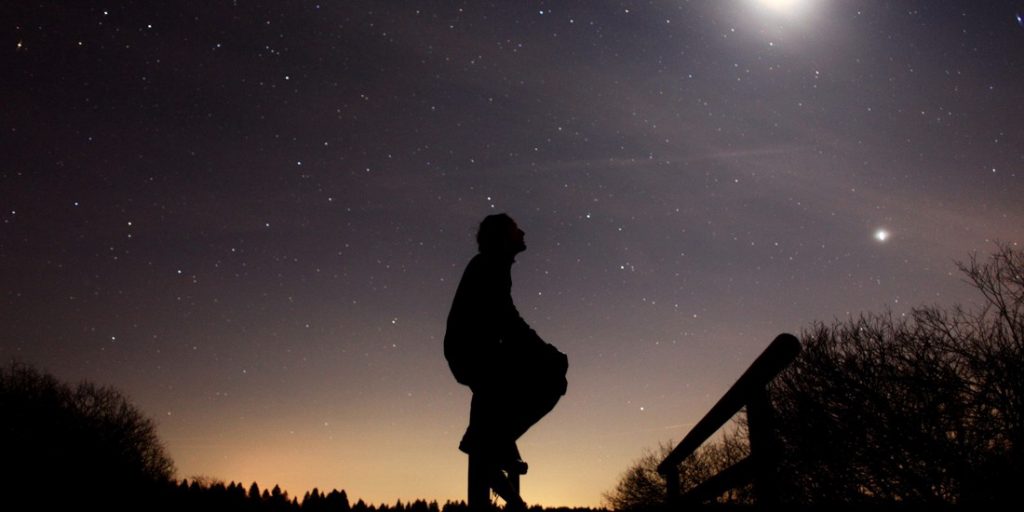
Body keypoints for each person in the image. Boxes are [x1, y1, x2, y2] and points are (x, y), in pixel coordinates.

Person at [444, 214, 568, 510]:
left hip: (477, 351)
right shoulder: (489, 265)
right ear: (502, 236)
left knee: (504, 404)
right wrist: (545, 351)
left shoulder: (491, 265)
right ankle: (491, 446)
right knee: (552, 377)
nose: (523, 232)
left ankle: (491, 450)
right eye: (515, 229)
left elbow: (504, 317)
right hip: (475, 352)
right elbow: (504, 317)